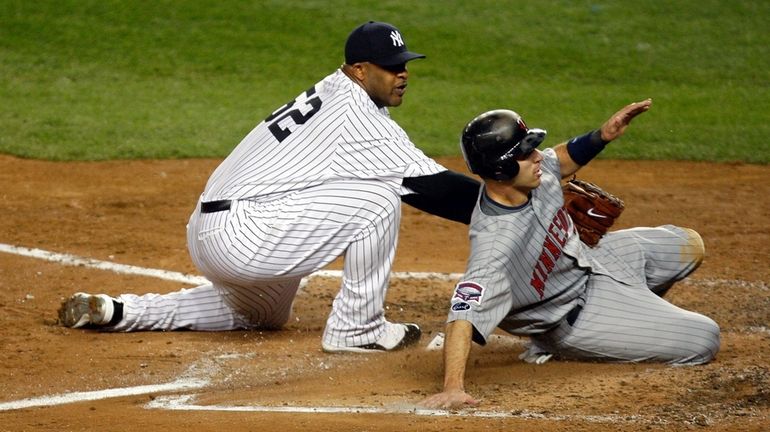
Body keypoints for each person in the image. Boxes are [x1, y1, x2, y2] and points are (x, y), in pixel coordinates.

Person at [58, 21, 481, 353]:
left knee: (261, 314)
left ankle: (120, 311)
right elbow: (434, 189)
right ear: (358, 70)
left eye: (405, 64)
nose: (402, 74)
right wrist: (514, 202)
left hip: (219, 230)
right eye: (391, 67)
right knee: (380, 198)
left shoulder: (334, 91)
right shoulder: (356, 115)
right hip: (245, 235)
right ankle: (357, 328)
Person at [419, 100, 720, 409]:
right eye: (526, 153)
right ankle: (582, 343)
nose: (537, 156)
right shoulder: (495, 243)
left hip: (594, 261)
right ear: (502, 168)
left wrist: (602, 135)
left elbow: (560, 159)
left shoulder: (533, 174)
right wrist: (452, 388)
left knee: (685, 244)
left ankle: (637, 313)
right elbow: (463, 314)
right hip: (573, 317)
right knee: (704, 339)